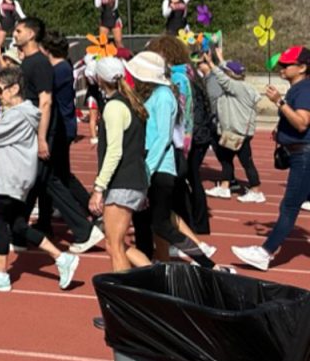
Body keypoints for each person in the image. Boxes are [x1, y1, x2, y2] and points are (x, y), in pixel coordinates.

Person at [0, 66, 80, 293]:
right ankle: (61, 258)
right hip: (14, 176)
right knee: (18, 225)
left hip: (11, 177)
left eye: (0, 90)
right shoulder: (19, 113)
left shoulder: (19, 114)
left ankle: (1, 274)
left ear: (14, 89)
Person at [16, 20, 102, 253]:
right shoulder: (53, 67)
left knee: (52, 178)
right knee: (51, 178)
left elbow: (46, 99)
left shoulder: (59, 68)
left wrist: (42, 136)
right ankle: (35, 227)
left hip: (59, 128)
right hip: (56, 128)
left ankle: (84, 225)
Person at [126, 51, 217, 268]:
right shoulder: (153, 94)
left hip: (160, 168)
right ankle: (147, 268)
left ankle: (206, 263)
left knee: (161, 224)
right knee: (141, 222)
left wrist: (147, 169)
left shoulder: (164, 96)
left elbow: (163, 137)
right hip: (149, 163)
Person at [232, 45, 310, 272]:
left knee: (289, 206)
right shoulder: (299, 88)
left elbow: (302, 122)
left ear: (303, 67)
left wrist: (279, 102)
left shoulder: (304, 89)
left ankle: (265, 253)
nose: (281, 68)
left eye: (287, 65)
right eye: (281, 64)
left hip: (304, 156)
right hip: (299, 153)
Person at [87, 58, 150, 272]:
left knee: (113, 245)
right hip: (135, 179)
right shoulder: (131, 102)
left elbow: (114, 152)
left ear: (99, 79)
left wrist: (98, 187)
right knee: (118, 243)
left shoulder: (114, 107)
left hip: (123, 182)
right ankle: (154, 277)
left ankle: (126, 292)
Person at [204, 51, 264, 203]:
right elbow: (227, 73)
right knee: (226, 159)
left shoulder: (238, 87)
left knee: (246, 161)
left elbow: (223, 79)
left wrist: (211, 63)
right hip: (232, 132)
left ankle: (256, 190)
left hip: (239, 132)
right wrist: (221, 57)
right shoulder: (238, 86)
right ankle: (224, 187)